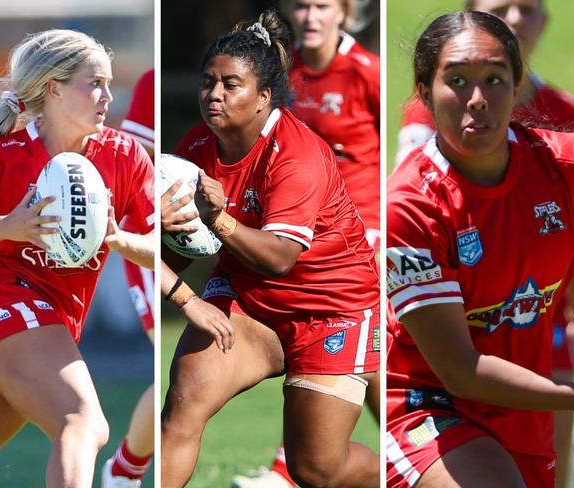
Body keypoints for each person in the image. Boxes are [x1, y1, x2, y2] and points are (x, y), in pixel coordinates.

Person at [161, 9, 379, 488]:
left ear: (264, 97)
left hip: (332, 310)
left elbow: (281, 257)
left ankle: (398, 472)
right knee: (183, 405)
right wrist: (157, 238)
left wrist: (217, 219)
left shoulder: (297, 153)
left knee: (316, 470)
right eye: (207, 82)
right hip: (248, 300)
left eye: (230, 84)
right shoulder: (195, 148)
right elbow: (170, 257)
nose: (214, 94)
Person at [386, 10, 574, 488]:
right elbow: (461, 371)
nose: (477, 99)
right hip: (428, 407)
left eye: (495, 79)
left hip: (526, 415)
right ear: (424, 92)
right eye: (457, 80)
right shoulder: (410, 205)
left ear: (518, 86)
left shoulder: (562, 167)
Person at [0, 29, 154, 488]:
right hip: (3, 308)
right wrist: (5, 227)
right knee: (83, 422)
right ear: (54, 88)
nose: (106, 96)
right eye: (94, 83)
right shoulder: (7, 153)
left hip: (53, 324)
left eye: (109, 83)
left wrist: (119, 241)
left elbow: (160, 249)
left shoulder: (123, 155)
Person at [231, 1, 380, 486]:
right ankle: (404, 457)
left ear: (345, 14)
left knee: (371, 353)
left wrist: (381, 230)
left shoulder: (366, 74)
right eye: (302, 5)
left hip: (358, 241)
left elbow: (403, 150)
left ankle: (408, 458)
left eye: (323, 6)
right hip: (293, 233)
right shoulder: (279, 70)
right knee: (319, 343)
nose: (311, 16)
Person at [101, 68, 155, 488]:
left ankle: (124, 470)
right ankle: (125, 471)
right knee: (173, 370)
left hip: (218, 232)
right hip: (150, 236)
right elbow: (136, 165)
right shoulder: (153, 83)